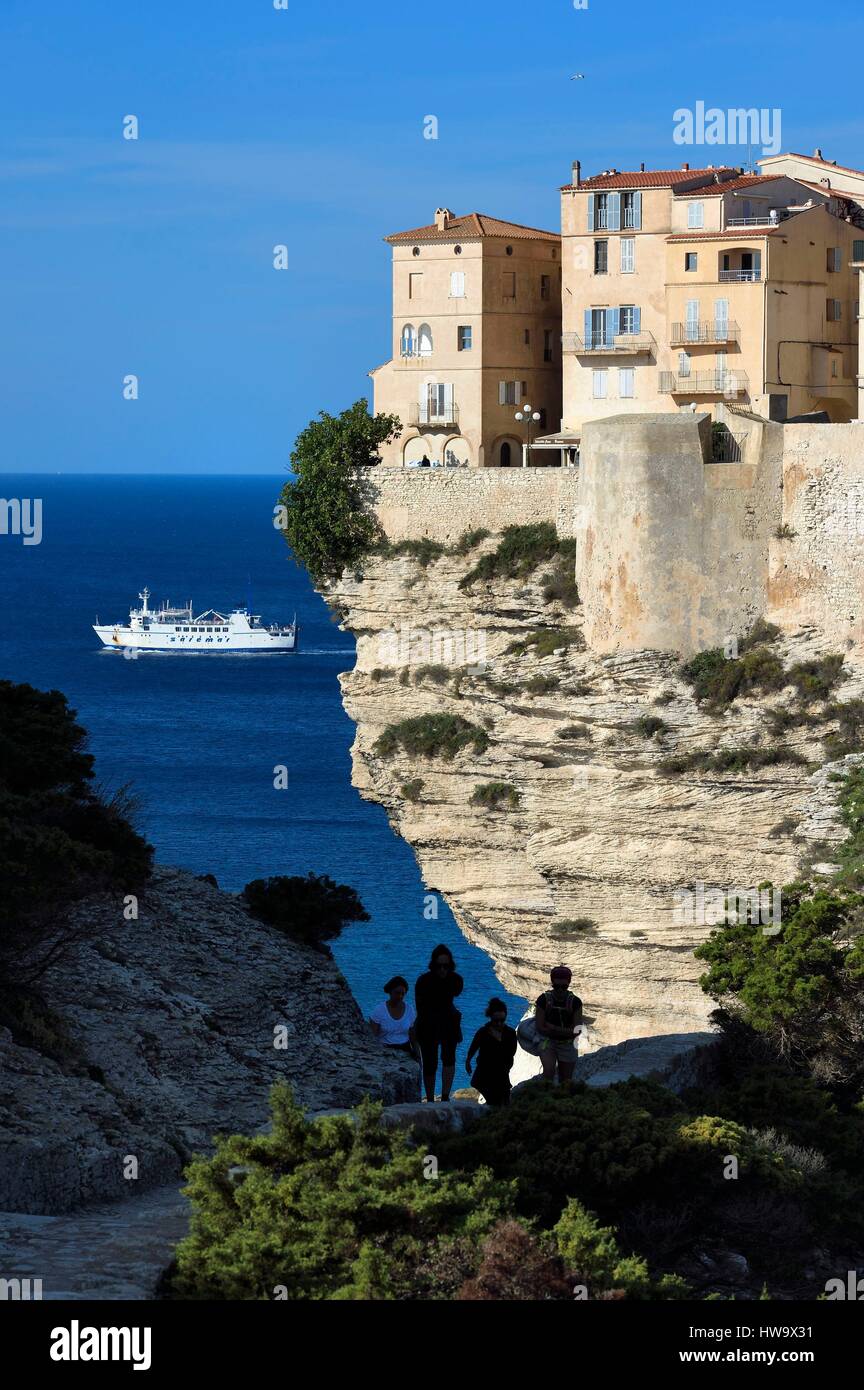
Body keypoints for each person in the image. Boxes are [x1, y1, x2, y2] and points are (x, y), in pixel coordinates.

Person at [414, 944, 464, 1102]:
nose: (442, 969)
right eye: (439, 966)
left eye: (446, 966)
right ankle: (429, 1099)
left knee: (449, 1059)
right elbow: (420, 1008)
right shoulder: (424, 981)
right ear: (433, 966)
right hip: (428, 1023)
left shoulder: (454, 979)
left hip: (447, 1022)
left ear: (450, 966)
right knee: (430, 1063)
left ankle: (444, 1097)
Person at [535, 965, 582, 1084]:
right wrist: (565, 1031)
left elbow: (577, 1030)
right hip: (548, 1041)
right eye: (556, 986)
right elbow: (540, 1027)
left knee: (566, 1080)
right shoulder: (543, 1000)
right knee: (549, 1072)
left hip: (566, 1043)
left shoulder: (575, 1002)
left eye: (564, 987)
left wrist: (553, 1028)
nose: (560, 990)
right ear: (552, 983)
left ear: (568, 984)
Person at [466, 999, 517, 1106]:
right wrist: (468, 1061)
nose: (499, 1023)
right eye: (496, 1020)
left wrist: (499, 1041)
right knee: (494, 1101)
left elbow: (511, 1053)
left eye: (502, 1020)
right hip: (485, 1072)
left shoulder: (510, 1033)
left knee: (502, 1101)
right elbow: (473, 1047)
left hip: (501, 1073)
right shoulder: (483, 1032)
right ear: (490, 1017)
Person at [369, 976, 417, 1056]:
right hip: (385, 1049)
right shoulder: (379, 1010)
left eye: (403, 994)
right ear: (390, 992)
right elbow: (373, 1036)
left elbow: (413, 1037)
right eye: (397, 993)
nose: (400, 996)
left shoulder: (410, 1010)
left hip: (405, 1048)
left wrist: (417, 1054)